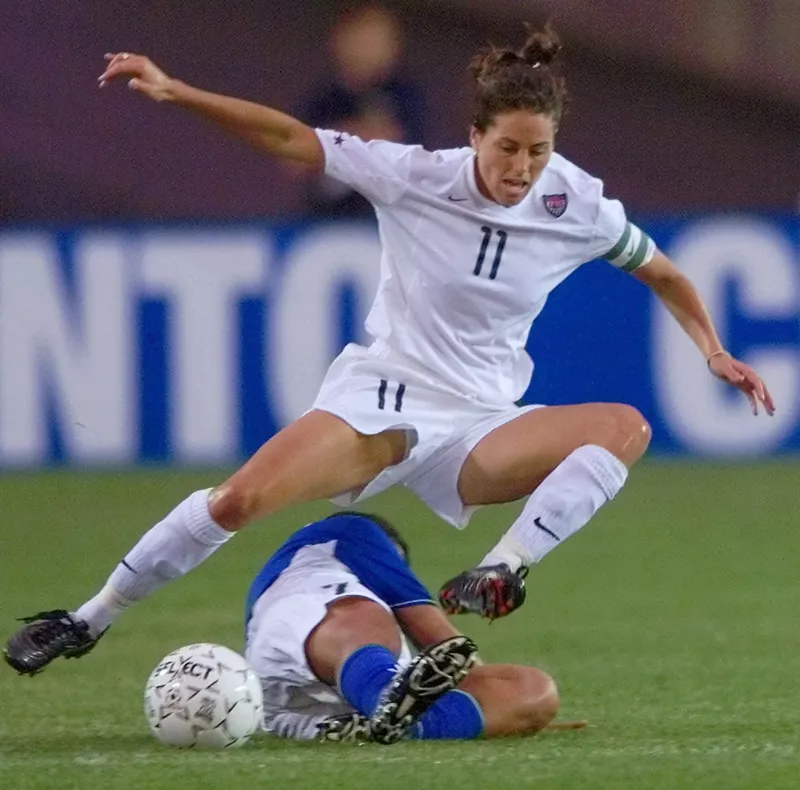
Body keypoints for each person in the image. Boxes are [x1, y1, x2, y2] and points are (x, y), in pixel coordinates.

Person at [3, 24, 775, 675]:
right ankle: (89, 617)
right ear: (474, 135)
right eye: (508, 147)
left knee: (624, 427)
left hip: (479, 424)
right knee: (238, 500)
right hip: (387, 399)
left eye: (538, 151)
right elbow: (289, 138)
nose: (522, 168)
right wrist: (179, 93)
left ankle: (500, 570)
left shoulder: (577, 204)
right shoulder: (413, 176)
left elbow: (664, 273)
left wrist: (710, 349)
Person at [242, 511, 558, 743]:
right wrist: (496, 707)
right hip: (314, 635)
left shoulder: (384, 642)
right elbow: (447, 646)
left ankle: (401, 724)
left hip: (297, 703)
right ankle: (389, 709)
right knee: (366, 616)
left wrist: (509, 712)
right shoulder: (351, 531)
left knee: (534, 689)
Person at [299, 3, 425, 217]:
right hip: (324, 220)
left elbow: (404, 150)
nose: (369, 50)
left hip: (385, 217)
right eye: (363, 40)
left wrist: (334, 143)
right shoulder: (324, 100)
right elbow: (296, 159)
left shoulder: (404, 97)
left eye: (379, 41)